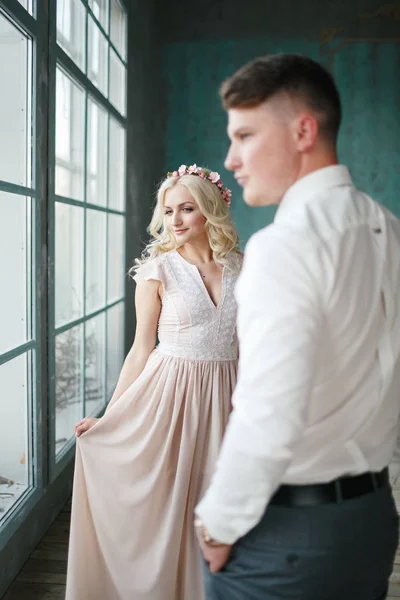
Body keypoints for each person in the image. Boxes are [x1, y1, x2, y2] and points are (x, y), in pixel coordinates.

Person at [194, 53, 400, 600]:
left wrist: (218, 523)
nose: (231, 158)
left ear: (303, 130)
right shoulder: (389, 230)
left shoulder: (283, 247)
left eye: (245, 135)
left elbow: (268, 411)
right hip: (373, 521)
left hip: (287, 542)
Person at [65, 164, 242, 600]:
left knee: (219, 503)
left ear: (210, 211)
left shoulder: (243, 266)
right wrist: (110, 417)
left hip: (230, 395)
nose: (175, 220)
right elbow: (141, 348)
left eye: (187, 208)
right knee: (167, 503)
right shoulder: (157, 271)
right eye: (168, 211)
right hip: (169, 397)